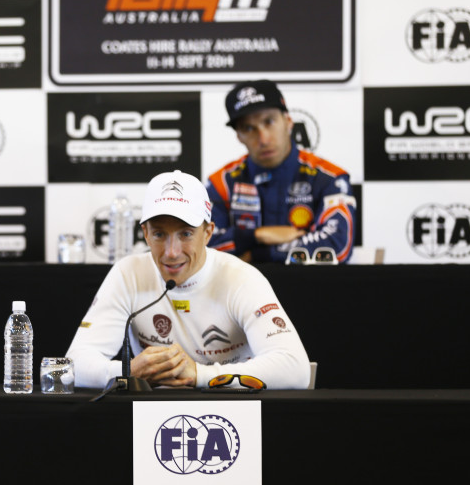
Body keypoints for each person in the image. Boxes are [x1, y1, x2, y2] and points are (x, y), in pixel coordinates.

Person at [65, 170, 309, 390]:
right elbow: (73, 365)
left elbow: (295, 369)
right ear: (145, 234)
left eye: (186, 234)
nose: (172, 252)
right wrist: (126, 372)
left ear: (208, 233)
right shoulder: (128, 273)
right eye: (159, 234)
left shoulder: (241, 278)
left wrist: (199, 375)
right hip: (148, 415)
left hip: (231, 413)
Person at [206, 80, 356, 264]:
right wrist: (256, 235)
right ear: (239, 136)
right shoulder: (221, 183)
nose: (263, 139)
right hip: (242, 284)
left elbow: (338, 246)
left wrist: (259, 255)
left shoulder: (329, 178)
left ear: (288, 122)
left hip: (308, 283)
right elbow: (200, 245)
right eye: (249, 128)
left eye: (269, 121)